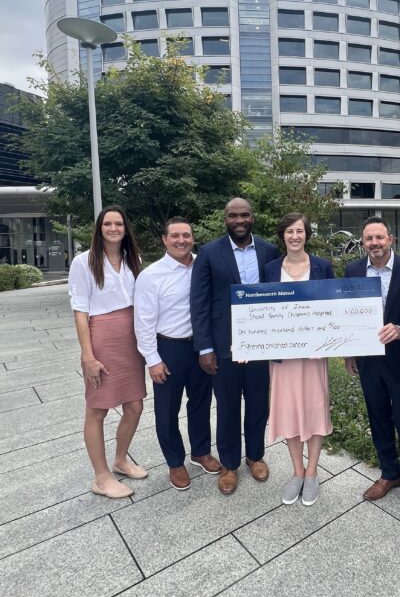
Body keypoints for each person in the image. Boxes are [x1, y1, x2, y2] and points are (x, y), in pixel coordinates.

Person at [190, 197, 280, 495]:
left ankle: (255, 456)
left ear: (252, 217)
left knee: (257, 404)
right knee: (227, 407)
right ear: (225, 219)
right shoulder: (208, 252)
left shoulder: (268, 250)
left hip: (259, 345)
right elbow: (199, 302)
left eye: (244, 215)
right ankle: (229, 464)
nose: (239, 220)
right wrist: (205, 348)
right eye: (233, 216)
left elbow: (280, 296)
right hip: (223, 345)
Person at [344, 217, 400, 513]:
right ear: (362, 242)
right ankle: (388, 473)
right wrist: (349, 352)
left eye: (379, 237)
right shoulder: (353, 269)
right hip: (367, 360)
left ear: (390, 239)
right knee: (378, 417)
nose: (374, 243)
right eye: (369, 239)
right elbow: (348, 314)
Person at [134, 217, 221, 491]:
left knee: (201, 402)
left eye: (186, 235)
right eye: (175, 236)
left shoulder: (203, 265)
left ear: (192, 238)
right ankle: (174, 461)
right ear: (164, 239)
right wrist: (153, 359)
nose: (181, 240)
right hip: (168, 348)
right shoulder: (151, 276)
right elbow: (143, 322)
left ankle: (200, 452)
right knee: (167, 409)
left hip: (201, 347)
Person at [68, 205, 147, 499]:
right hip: (101, 337)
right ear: (99, 229)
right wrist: (88, 356)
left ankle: (120, 459)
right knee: (98, 408)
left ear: (126, 229)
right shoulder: (84, 262)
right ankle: (101, 477)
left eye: (118, 224)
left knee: (135, 406)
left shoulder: (133, 259)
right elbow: (80, 310)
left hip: (131, 339)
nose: (113, 229)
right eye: (107, 224)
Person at [265, 213, 334, 507]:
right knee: (288, 409)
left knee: (315, 408)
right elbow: (258, 308)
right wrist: (246, 345)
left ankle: (313, 472)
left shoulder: (323, 267)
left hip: (314, 353)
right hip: (283, 356)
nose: (295, 236)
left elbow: (335, 306)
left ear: (306, 234)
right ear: (283, 236)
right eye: (290, 231)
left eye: (300, 231)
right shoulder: (269, 269)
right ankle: (296, 471)